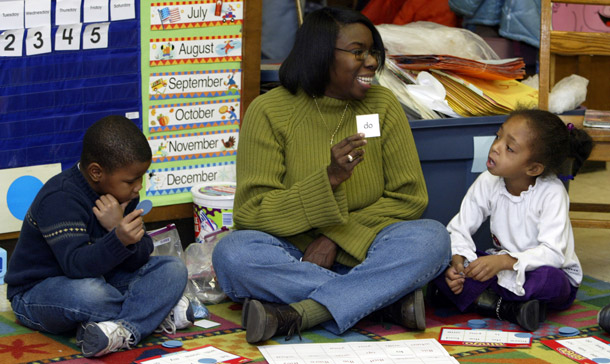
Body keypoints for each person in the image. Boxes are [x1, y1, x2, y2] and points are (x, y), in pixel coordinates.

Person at [211, 7, 451, 344]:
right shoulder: (269, 111)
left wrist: (335, 239)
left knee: (432, 239)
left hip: (369, 252)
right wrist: (329, 180)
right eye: (358, 52)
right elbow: (252, 211)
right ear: (321, 55)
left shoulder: (382, 105)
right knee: (233, 254)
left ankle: (304, 312)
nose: (370, 62)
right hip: (295, 256)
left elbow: (409, 197)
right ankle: (384, 303)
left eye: (373, 52)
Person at [5, 115, 194, 357]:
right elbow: (75, 266)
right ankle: (151, 311)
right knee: (93, 294)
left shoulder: (122, 192)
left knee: (172, 268)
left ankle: (120, 329)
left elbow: (140, 257)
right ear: (96, 172)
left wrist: (118, 228)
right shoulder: (60, 198)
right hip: (39, 292)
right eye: (131, 180)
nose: (138, 186)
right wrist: (118, 237)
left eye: (142, 176)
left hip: (104, 279)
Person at [431, 109, 593, 332]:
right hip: (500, 269)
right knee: (439, 258)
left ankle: (481, 300)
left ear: (533, 168)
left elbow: (553, 254)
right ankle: (508, 308)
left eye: (509, 148)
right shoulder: (488, 180)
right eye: (498, 136)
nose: (496, 147)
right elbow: (459, 228)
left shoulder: (552, 193)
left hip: (545, 271)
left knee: (548, 280)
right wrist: (458, 261)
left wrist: (506, 262)